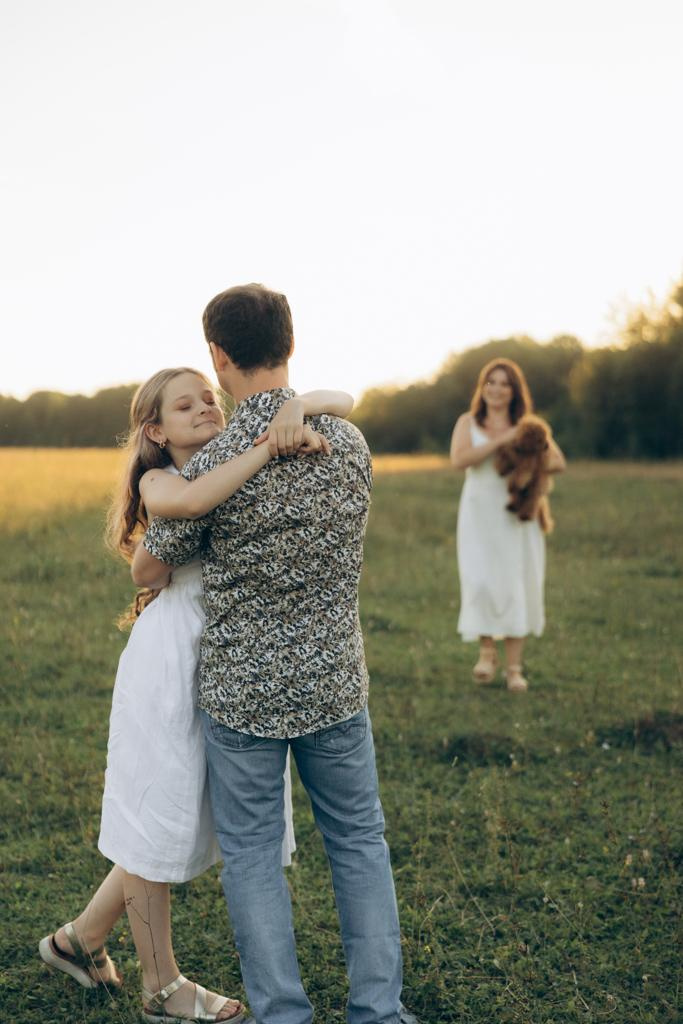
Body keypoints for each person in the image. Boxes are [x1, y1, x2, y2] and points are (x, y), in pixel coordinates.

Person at [134, 284, 419, 1024]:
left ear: (218, 357)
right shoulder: (347, 439)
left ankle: (283, 1014)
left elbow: (156, 561)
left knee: (254, 856)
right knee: (358, 841)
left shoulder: (214, 459)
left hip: (242, 693)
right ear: (287, 344)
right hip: (333, 680)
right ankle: (378, 1011)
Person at [39, 365, 351, 1023]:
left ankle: (79, 940)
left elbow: (342, 399)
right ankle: (162, 988)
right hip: (171, 654)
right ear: (154, 429)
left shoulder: (238, 442)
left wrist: (292, 409)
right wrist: (267, 444)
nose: (207, 407)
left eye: (208, 396)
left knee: (189, 807)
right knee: (157, 808)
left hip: (235, 652)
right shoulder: (161, 478)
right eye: (185, 406)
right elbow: (184, 510)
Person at [450, 358, 566, 693]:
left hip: (516, 518)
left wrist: (529, 450)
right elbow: (459, 460)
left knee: (517, 582)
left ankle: (514, 669)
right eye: (491, 382)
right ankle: (487, 652)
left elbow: (558, 462)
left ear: (514, 391)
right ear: (482, 387)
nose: (496, 389)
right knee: (480, 580)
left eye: (504, 384)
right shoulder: (467, 422)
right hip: (478, 515)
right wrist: (502, 441)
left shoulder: (527, 424)